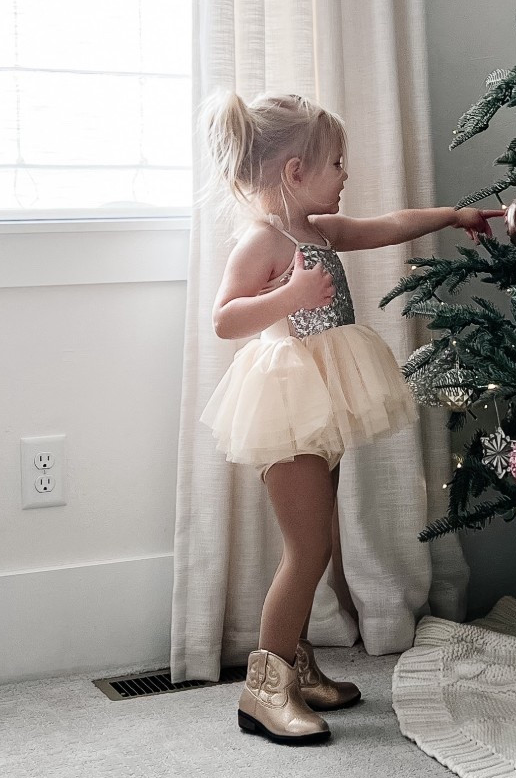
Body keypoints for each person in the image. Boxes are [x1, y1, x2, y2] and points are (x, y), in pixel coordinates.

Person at [203, 92, 496, 744]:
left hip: (322, 399)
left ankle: (298, 664)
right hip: (284, 404)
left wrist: (455, 214)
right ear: (294, 171)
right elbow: (224, 319)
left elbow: (387, 225)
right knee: (306, 550)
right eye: (337, 163)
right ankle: (264, 690)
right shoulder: (264, 240)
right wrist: (289, 294)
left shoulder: (318, 230)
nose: (346, 175)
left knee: (319, 546)